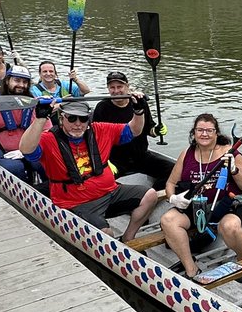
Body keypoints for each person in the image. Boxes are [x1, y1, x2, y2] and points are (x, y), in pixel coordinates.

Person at [19, 96, 159, 240]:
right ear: (62, 118)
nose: (78, 124)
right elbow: (26, 149)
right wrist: (40, 118)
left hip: (110, 192)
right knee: (106, 235)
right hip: (77, 203)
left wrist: (138, 111)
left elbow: (134, 130)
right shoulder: (48, 139)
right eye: (72, 118)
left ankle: (128, 237)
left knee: (150, 195)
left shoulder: (100, 130)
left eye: (83, 119)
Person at [158, 114, 242, 280]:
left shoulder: (230, 153)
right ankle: (191, 269)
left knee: (230, 227)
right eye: (200, 130)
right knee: (167, 220)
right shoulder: (186, 154)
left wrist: (234, 170)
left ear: (216, 133)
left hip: (227, 205)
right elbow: (170, 183)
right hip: (197, 206)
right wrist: (173, 198)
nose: (204, 134)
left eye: (209, 130)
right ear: (194, 133)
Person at [92, 71, 168, 185]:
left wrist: (156, 131)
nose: (116, 91)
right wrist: (105, 161)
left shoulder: (139, 103)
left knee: (174, 171)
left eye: (120, 87)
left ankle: (154, 194)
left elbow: (149, 130)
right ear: (108, 89)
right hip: (116, 161)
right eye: (112, 87)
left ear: (127, 86)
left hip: (141, 156)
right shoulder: (102, 107)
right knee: (99, 181)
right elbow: (96, 138)